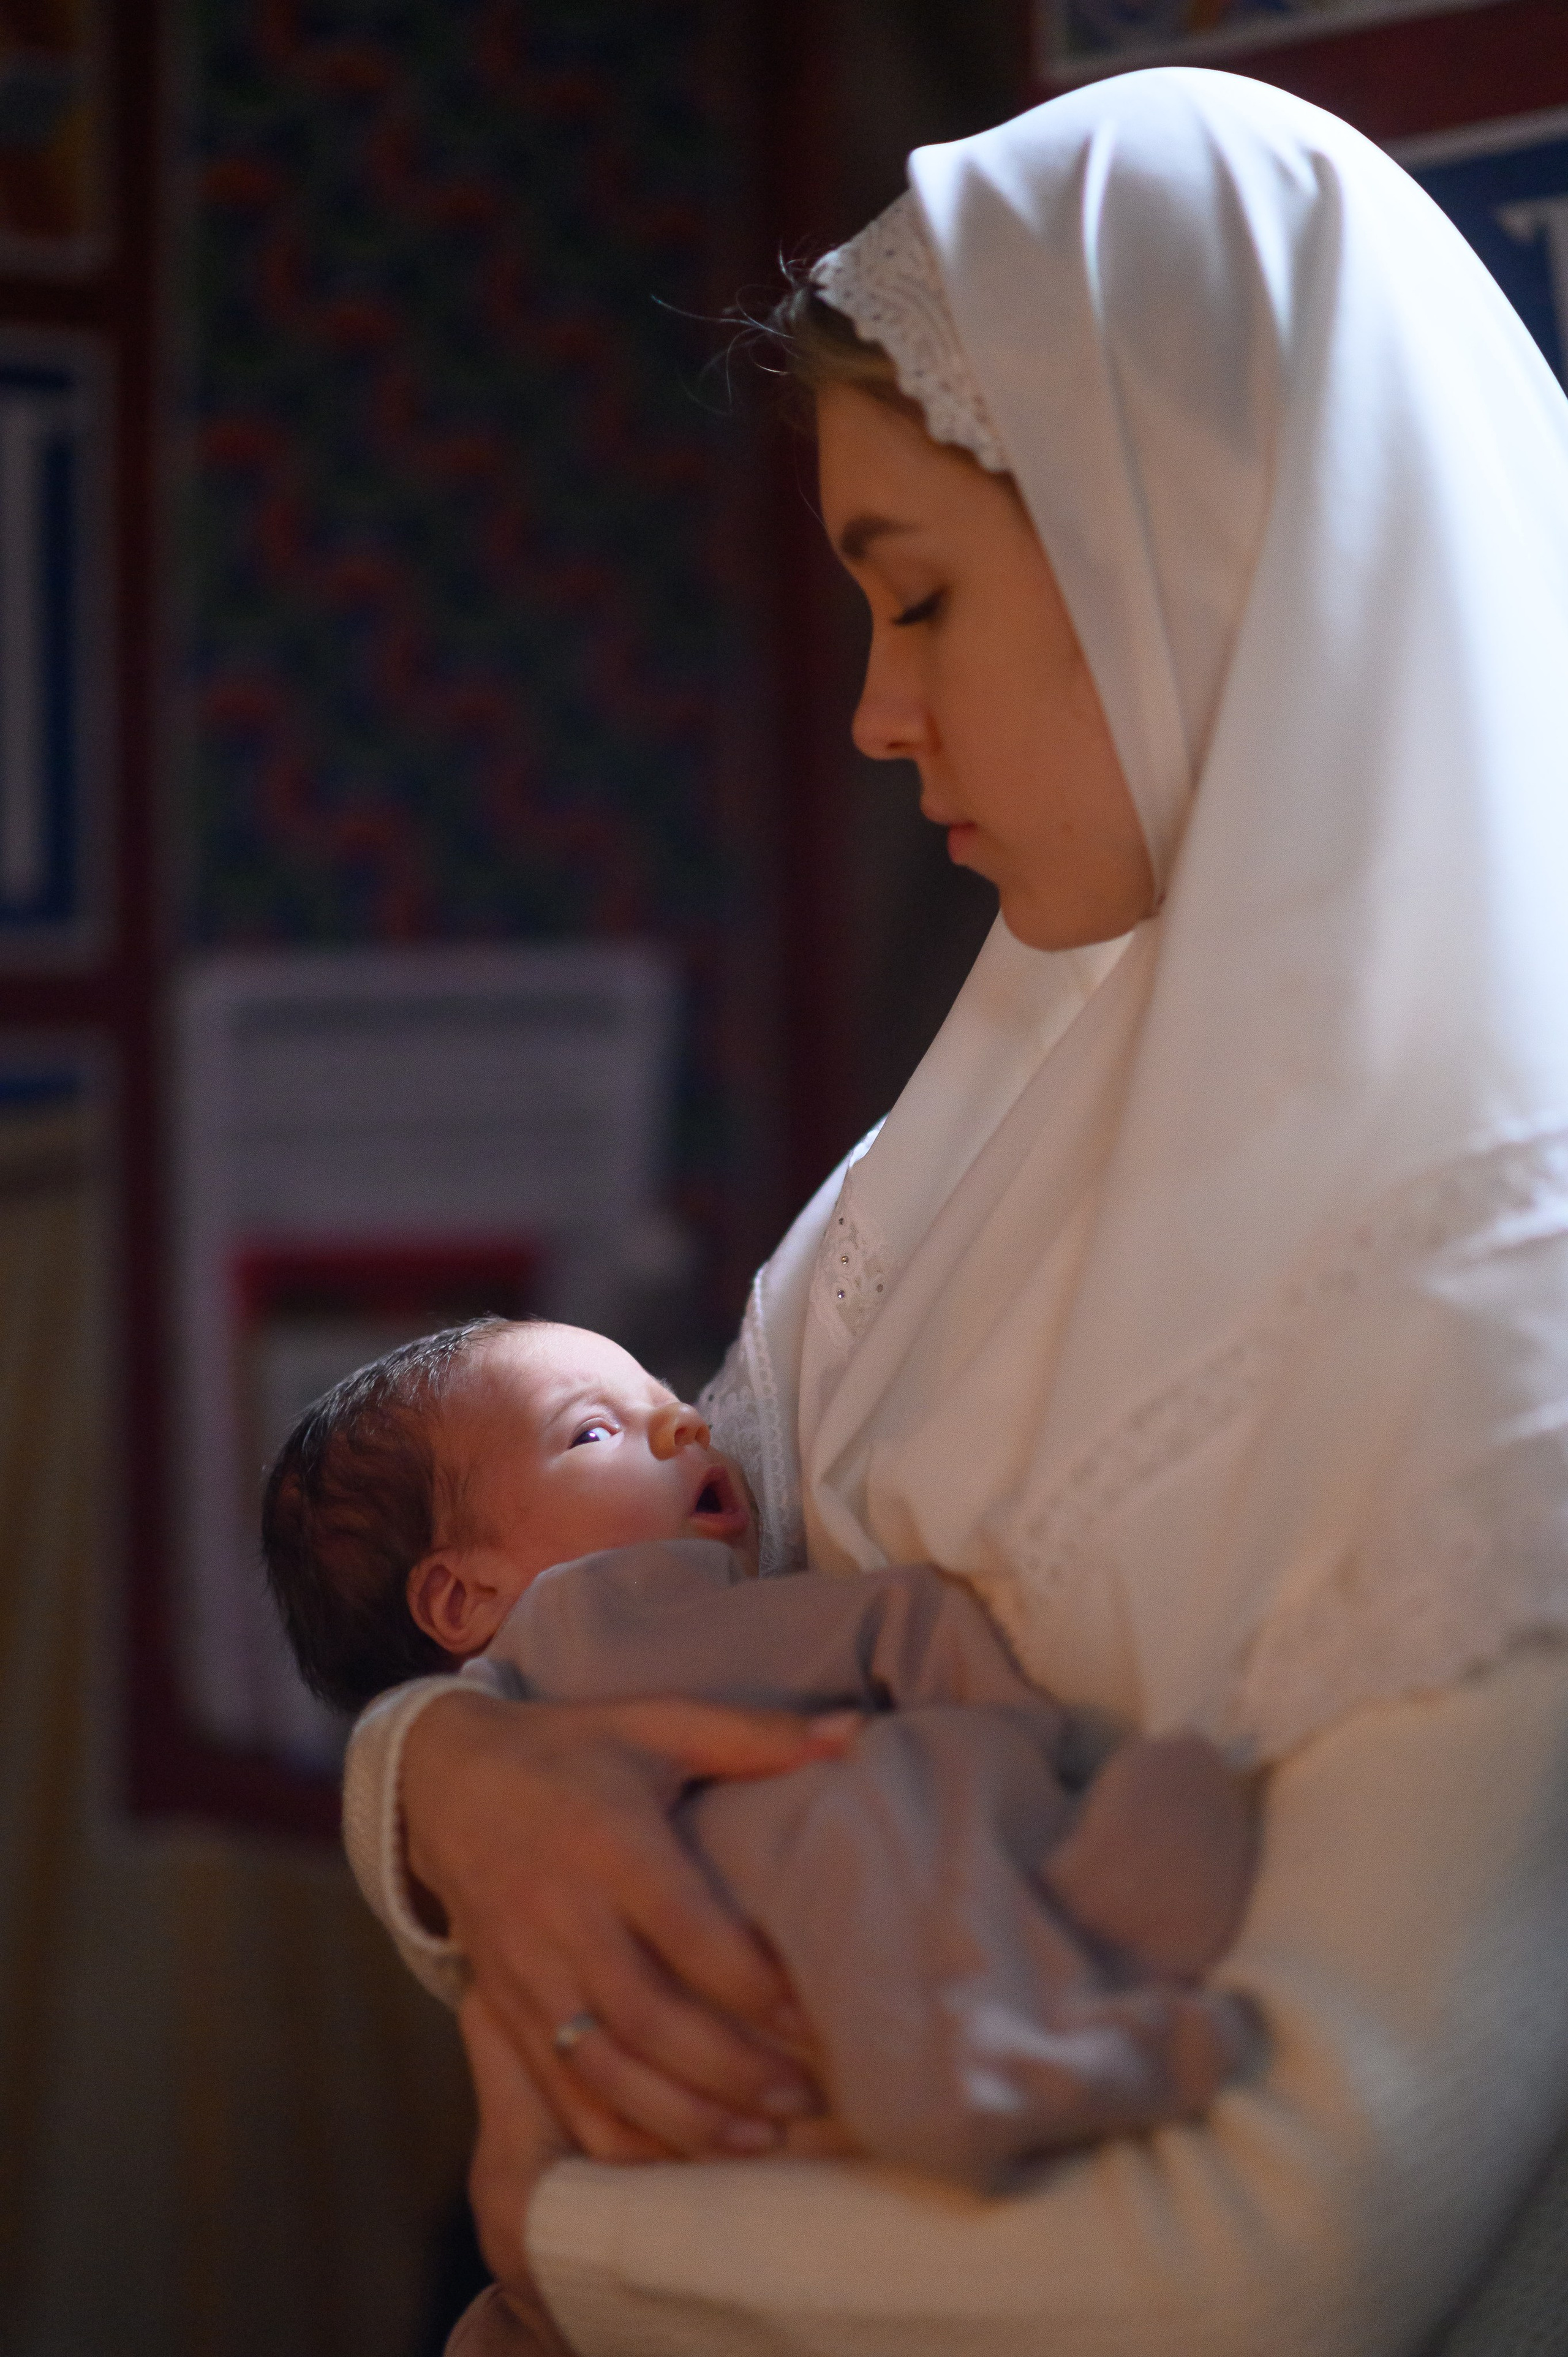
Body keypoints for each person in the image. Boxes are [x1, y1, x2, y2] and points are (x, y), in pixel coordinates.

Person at [342, 66, 1568, 2356]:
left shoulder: (1514, 1308)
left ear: (1196, 556)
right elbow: (645, 1584)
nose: (876, 720)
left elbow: (1267, 2264)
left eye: (919, 602)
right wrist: (447, 1782)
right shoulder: (971, 1147)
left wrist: (556, 2241)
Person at [265, 1313, 1257, 2192]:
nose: (687, 1425)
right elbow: (906, 1624)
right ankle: (968, 2074)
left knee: (1077, 1824)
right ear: (460, 1597)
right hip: (789, 1884)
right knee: (887, 1837)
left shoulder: (701, 1614)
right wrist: (1031, 1741)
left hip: (836, 1916)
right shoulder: (560, 1645)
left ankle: (1067, 1978)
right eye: (594, 1430)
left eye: (668, 1398)